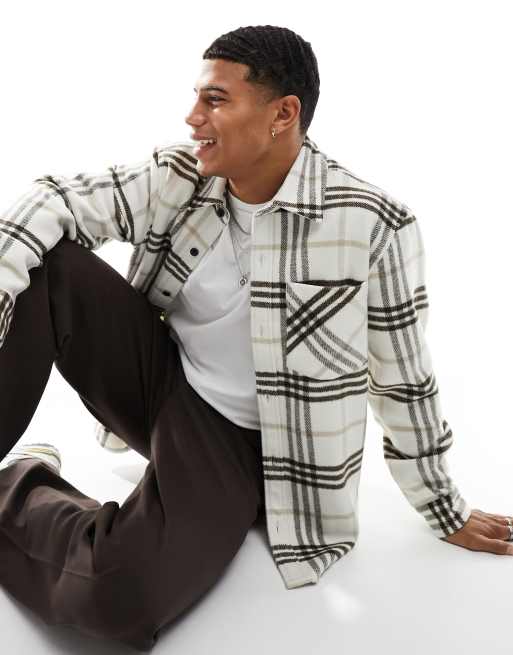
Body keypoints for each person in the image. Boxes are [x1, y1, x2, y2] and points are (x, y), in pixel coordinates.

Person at [0, 23, 511, 653]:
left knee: (118, 595)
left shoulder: (370, 224)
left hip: (246, 445)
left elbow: (403, 378)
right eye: (197, 97)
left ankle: (20, 482)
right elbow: (53, 199)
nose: (193, 117)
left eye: (215, 100)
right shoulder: (178, 176)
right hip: (162, 382)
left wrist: (443, 505)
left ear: (282, 115)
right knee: (41, 262)